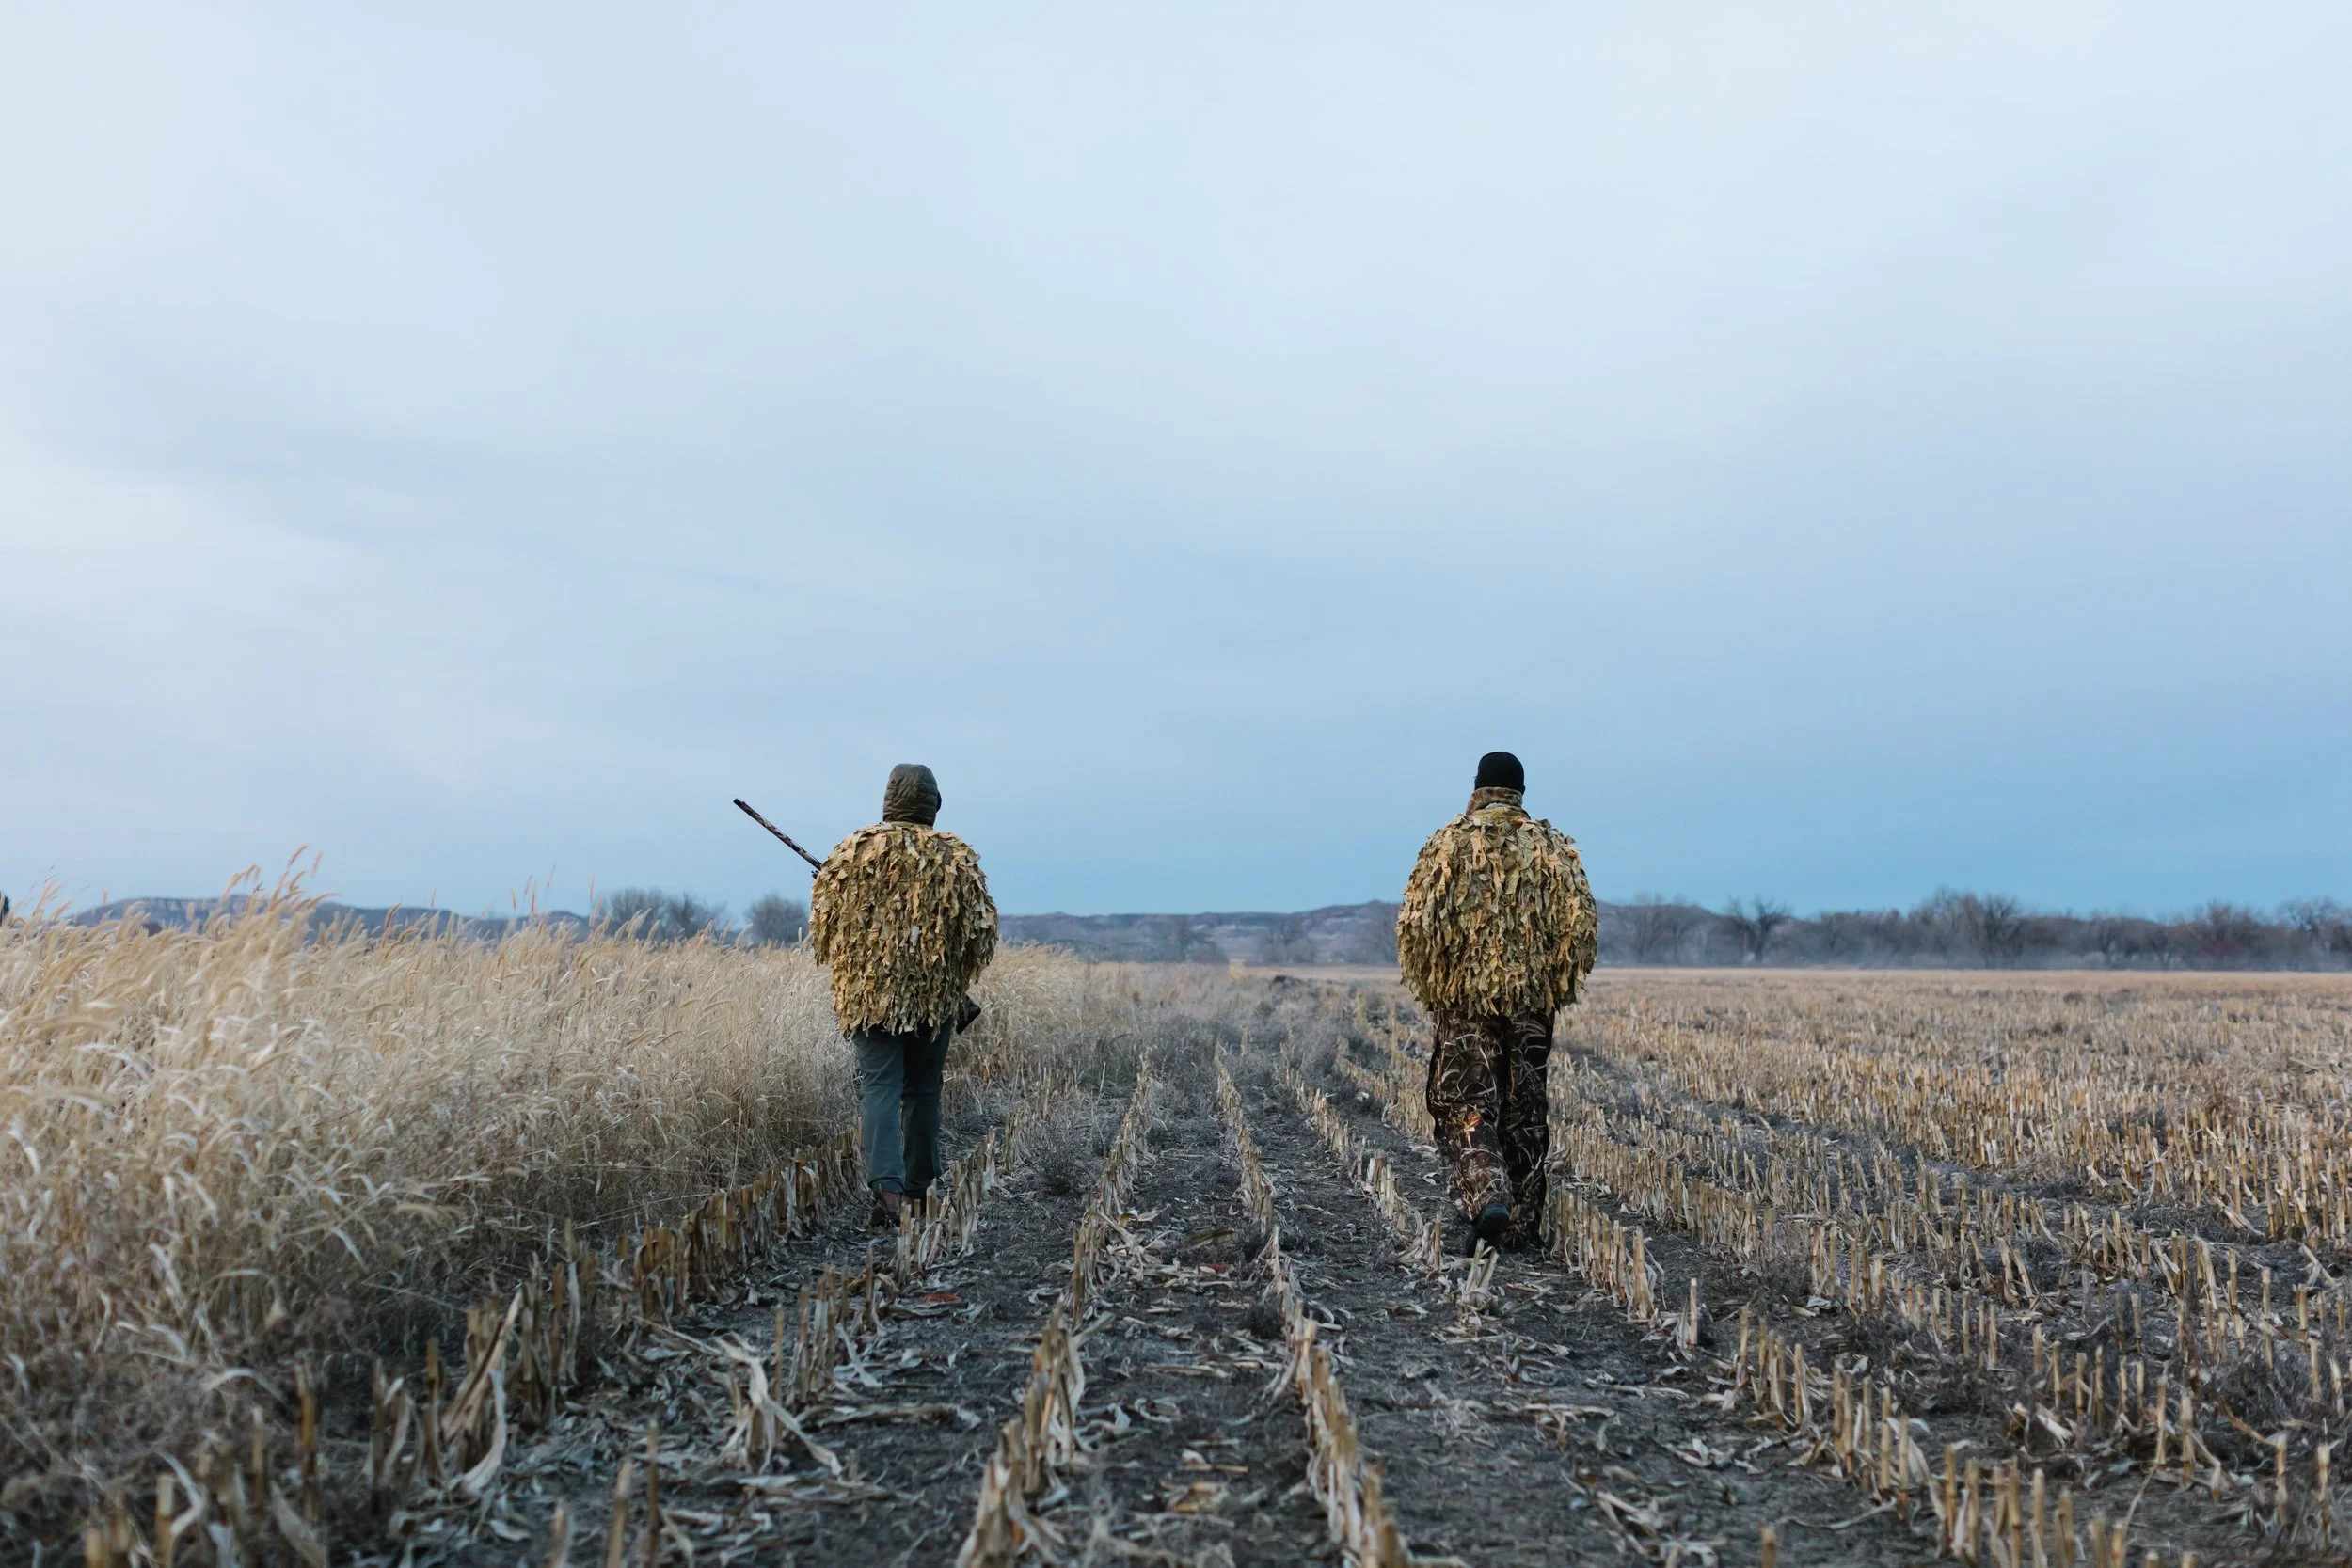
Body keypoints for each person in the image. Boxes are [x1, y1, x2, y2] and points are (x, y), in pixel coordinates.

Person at [1396, 751, 1597, 1248]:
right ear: (1520, 791)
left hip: (1465, 1003)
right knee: (1524, 1107)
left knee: (1465, 1101)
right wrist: (1549, 986)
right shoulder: (1554, 850)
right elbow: (1581, 930)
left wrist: (1436, 986)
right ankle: (1521, 1227)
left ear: (1478, 787)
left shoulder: (1448, 844)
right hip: (1532, 1004)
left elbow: (1417, 929)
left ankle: (1489, 1198)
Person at [808, 764, 998, 1228]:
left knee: (879, 1088)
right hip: (934, 1000)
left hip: (869, 999)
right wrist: (950, 977)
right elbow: (978, 939)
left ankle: (887, 1194)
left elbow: (825, 932)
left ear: (888, 799)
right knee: (924, 1091)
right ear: (933, 803)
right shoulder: (957, 859)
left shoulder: (851, 853)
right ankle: (920, 1190)